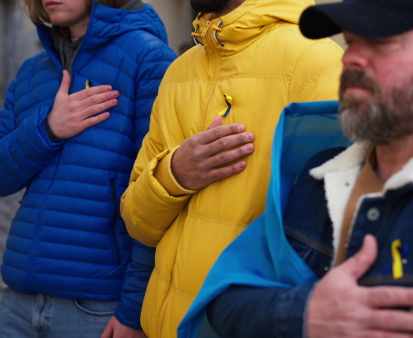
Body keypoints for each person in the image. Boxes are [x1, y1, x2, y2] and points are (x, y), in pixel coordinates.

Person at [180, 0, 413, 337]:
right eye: (351, 41)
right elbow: (224, 299)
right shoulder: (322, 175)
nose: (351, 58)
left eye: (379, 41)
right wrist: (306, 313)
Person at [119, 0, 344, 336]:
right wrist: (174, 174)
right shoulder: (179, 71)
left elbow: (330, 243)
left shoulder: (317, 62)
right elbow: (138, 225)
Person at [0, 0, 175, 337]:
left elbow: (159, 194)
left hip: (98, 309)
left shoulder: (148, 58)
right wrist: (48, 128)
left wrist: (135, 309)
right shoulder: (33, 71)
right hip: (19, 302)